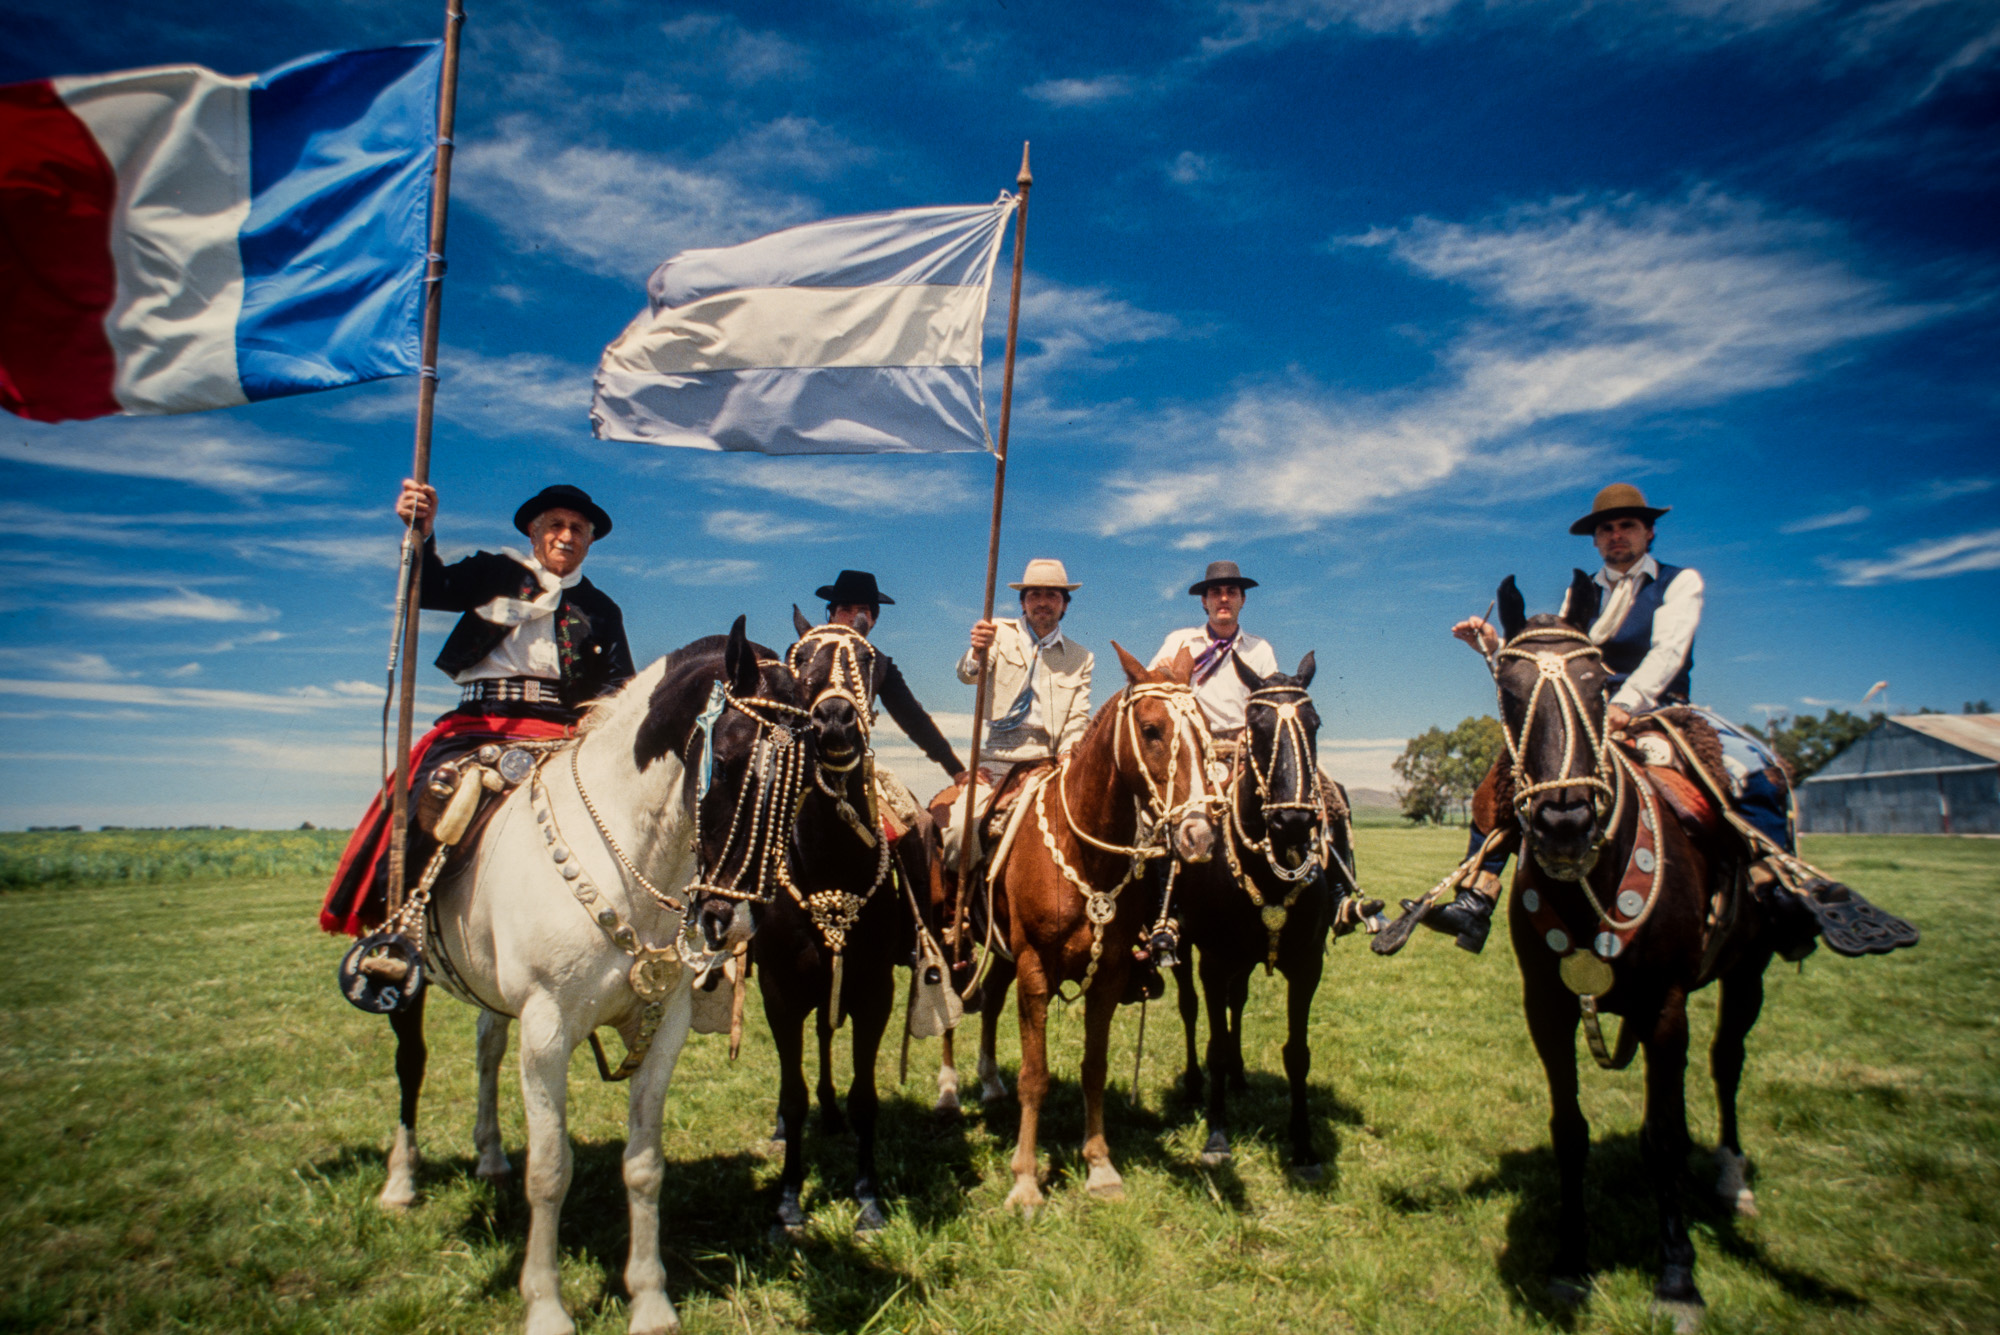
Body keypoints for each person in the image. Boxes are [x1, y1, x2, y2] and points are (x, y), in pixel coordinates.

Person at [1421, 482, 1812, 955]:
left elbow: (1669, 651)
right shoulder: (1580, 593)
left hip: (1664, 712)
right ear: (1595, 540)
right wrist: (1493, 646)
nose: (1616, 535)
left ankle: (1777, 891)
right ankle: (1476, 894)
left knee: (1749, 768)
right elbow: (1553, 659)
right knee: (1511, 773)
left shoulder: (1678, 582)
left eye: (1627, 525)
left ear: (1649, 532)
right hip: (1589, 717)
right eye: (1606, 529)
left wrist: (1626, 705)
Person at [321, 481, 636, 936]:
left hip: (565, 731)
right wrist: (420, 533)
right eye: (556, 526)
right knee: (431, 792)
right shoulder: (495, 573)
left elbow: (617, 683)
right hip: (481, 723)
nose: (566, 536)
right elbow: (427, 589)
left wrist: (599, 719)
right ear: (534, 532)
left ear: (589, 541)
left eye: (577, 529)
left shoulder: (602, 609)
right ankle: (396, 924)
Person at [937, 558, 1094, 863]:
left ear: (1065, 605)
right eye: (1034, 594)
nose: (1043, 603)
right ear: (1023, 602)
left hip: (1048, 764)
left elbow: (1077, 717)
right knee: (959, 831)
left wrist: (1066, 754)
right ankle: (962, 904)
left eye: (1052, 595)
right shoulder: (996, 631)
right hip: (996, 760)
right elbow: (966, 674)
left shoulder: (1081, 657)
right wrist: (976, 652)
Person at [812, 568, 966, 786]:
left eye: (862, 610)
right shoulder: (803, 652)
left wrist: (956, 769)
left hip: (851, 762)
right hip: (802, 758)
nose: (854, 617)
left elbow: (912, 717)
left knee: (917, 820)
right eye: (846, 609)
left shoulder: (880, 664)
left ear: (873, 618)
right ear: (832, 614)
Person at [1149, 560, 1279, 745]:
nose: (1224, 599)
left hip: (1245, 744)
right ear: (1204, 601)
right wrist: (1158, 674)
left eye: (1231, 592)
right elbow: (1145, 690)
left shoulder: (1260, 650)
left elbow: (1272, 705)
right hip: (1190, 744)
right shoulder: (1180, 642)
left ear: (1243, 600)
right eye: (1216, 592)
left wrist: (1252, 734)